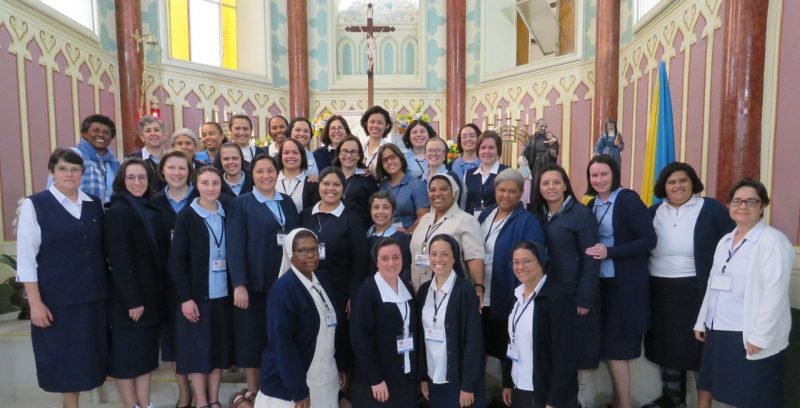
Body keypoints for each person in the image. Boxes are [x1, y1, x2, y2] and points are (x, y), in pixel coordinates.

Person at [17, 148, 108, 408]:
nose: (69, 174)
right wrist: (35, 302)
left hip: (92, 297)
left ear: (82, 173)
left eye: (75, 169)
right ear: (52, 172)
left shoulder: (93, 203)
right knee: (64, 361)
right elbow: (26, 259)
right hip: (57, 300)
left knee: (87, 360)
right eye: (63, 169)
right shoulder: (35, 205)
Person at [693, 178, 793, 408]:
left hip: (748, 334)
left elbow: (775, 292)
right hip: (719, 330)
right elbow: (713, 284)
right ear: (728, 205)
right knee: (722, 390)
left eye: (751, 201)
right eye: (737, 201)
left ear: (763, 206)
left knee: (753, 396)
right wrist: (702, 321)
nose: (743, 206)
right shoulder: (725, 240)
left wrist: (760, 336)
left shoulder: (772, 241)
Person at [642, 162, 733, 408]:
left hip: (698, 289)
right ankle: (673, 398)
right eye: (671, 182)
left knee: (698, 347)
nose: (677, 186)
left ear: (693, 182)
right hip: (659, 288)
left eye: (683, 180)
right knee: (666, 344)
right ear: (664, 186)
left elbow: (732, 243)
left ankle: (703, 403)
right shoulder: (652, 212)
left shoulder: (711, 208)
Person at [226, 154, 301, 407]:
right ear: (252, 175)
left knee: (279, 336)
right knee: (253, 337)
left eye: (270, 171)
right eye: (260, 172)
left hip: (284, 283)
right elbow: (234, 246)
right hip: (254, 285)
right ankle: (253, 390)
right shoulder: (242, 204)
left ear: (277, 173)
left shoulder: (287, 202)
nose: (266, 176)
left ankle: (276, 385)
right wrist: (239, 284)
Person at [584, 154, 656, 408]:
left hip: (623, 285)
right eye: (594, 175)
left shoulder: (628, 200)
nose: (599, 179)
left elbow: (648, 240)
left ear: (614, 174)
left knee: (617, 347)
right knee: (606, 345)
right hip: (600, 284)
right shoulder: (591, 204)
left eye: (604, 174)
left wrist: (610, 252)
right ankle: (617, 400)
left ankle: (624, 404)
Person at [529, 163, 601, 405]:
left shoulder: (581, 215)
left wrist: (584, 297)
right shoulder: (538, 215)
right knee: (551, 352)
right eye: (545, 183)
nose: (551, 187)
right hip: (547, 296)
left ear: (565, 185)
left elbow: (592, 258)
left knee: (570, 356)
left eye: (556, 182)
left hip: (572, 297)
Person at [255, 228, 345, 408]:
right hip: (292, 386)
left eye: (314, 249)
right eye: (303, 251)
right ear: (291, 255)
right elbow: (282, 344)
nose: (310, 255)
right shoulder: (283, 290)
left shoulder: (322, 282)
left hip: (324, 379)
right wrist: (298, 390)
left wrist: (339, 366)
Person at [168, 166, 233, 408]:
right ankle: (202, 401)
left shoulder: (226, 212)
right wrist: (185, 298)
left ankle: (214, 399)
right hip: (196, 298)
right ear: (197, 185)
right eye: (205, 183)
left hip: (222, 296)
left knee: (217, 352)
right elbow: (176, 262)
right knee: (197, 354)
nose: (210, 188)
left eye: (215, 183)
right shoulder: (187, 216)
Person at [105, 158, 166, 408]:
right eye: (131, 177)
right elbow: (119, 260)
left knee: (145, 357)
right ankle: (131, 405)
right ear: (122, 180)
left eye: (142, 177)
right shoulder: (118, 211)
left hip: (150, 296)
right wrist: (133, 300)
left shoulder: (149, 208)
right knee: (127, 359)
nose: (137, 182)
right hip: (129, 300)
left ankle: (144, 403)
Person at [476, 169, 544, 378]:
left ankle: (510, 392)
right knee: (481, 347)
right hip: (481, 293)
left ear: (521, 193)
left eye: (512, 191)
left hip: (506, 294)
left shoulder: (527, 221)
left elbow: (533, 261)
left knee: (509, 348)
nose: (506, 195)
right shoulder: (487, 213)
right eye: (501, 190)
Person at [500, 241, 579, 408]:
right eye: (516, 262)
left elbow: (565, 354)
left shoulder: (558, 299)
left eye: (527, 261)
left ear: (541, 261)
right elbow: (513, 341)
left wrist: (555, 400)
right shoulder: (517, 296)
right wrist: (508, 382)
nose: (520, 267)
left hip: (546, 393)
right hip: (520, 387)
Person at [350, 237, 420, 407]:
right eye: (385, 258)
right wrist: (375, 379)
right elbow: (360, 340)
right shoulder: (366, 292)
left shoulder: (408, 288)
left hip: (405, 377)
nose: (391, 263)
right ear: (376, 262)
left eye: (396, 257)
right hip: (379, 382)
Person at [151, 149, 197, 408]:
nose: (177, 173)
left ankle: (199, 386)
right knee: (173, 339)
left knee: (197, 335)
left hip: (199, 278)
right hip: (166, 281)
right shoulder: (154, 203)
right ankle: (184, 391)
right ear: (163, 171)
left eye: (182, 168)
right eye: (172, 168)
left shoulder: (202, 198)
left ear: (189, 172)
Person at [417, 234, 484, 408]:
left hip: (459, 381)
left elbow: (474, 341)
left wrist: (468, 386)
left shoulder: (465, 290)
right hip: (434, 378)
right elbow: (420, 338)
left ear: (454, 258)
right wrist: (423, 376)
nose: (438, 259)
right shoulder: (424, 290)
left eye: (444, 254)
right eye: (433, 254)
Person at [300, 167, 369, 321]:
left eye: (336, 185)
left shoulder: (352, 218)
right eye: (326, 183)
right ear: (319, 186)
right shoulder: (305, 215)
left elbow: (360, 259)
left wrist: (354, 294)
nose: (330, 188)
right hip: (307, 289)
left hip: (339, 293)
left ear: (343, 189)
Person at [409, 174, 485, 296]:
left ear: (453, 193)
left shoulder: (465, 220)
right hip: (418, 289)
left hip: (451, 291)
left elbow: (474, 257)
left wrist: (478, 286)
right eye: (432, 190)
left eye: (443, 189)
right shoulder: (424, 219)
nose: (437, 193)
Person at [375, 144, 429, 233]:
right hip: (384, 236)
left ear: (400, 158)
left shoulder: (417, 185)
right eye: (385, 160)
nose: (389, 162)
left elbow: (423, 216)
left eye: (393, 157)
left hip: (408, 238)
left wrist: (408, 231)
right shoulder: (382, 186)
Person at [70, 113, 120, 203]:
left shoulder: (115, 163)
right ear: (84, 134)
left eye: (106, 132)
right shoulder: (72, 155)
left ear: (111, 138)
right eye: (95, 131)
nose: (101, 135)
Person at [333, 135, 378, 226]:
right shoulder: (330, 176)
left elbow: (373, 208)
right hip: (333, 228)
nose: (349, 155)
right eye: (345, 151)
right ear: (338, 154)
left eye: (353, 152)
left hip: (359, 229)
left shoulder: (367, 179)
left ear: (359, 155)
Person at [366, 191, 412, 283]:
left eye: (386, 207)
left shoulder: (400, 238)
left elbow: (405, 270)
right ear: (370, 210)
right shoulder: (365, 237)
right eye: (376, 207)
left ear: (393, 212)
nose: (380, 212)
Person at [463, 131, 508, 215]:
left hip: (497, 224)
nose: (486, 151)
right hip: (472, 224)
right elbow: (463, 204)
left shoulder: (507, 173)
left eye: (491, 148)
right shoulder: (468, 174)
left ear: (498, 150)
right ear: (478, 151)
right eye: (483, 147)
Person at [126, 115, 168, 195]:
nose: (153, 134)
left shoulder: (172, 158)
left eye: (157, 130)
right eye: (148, 131)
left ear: (164, 136)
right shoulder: (131, 160)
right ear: (142, 137)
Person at [277, 138, 319, 213]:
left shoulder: (312, 184)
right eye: (286, 153)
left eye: (295, 152)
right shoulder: (272, 181)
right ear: (280, 157)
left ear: (302, 156)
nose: (290, 156)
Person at [361, 106, 393, 174]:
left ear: (387, 125)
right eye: (372, 122)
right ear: (366, 123)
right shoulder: (360, 148)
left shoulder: (390, 150)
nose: (375, 126)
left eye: (380, 123)